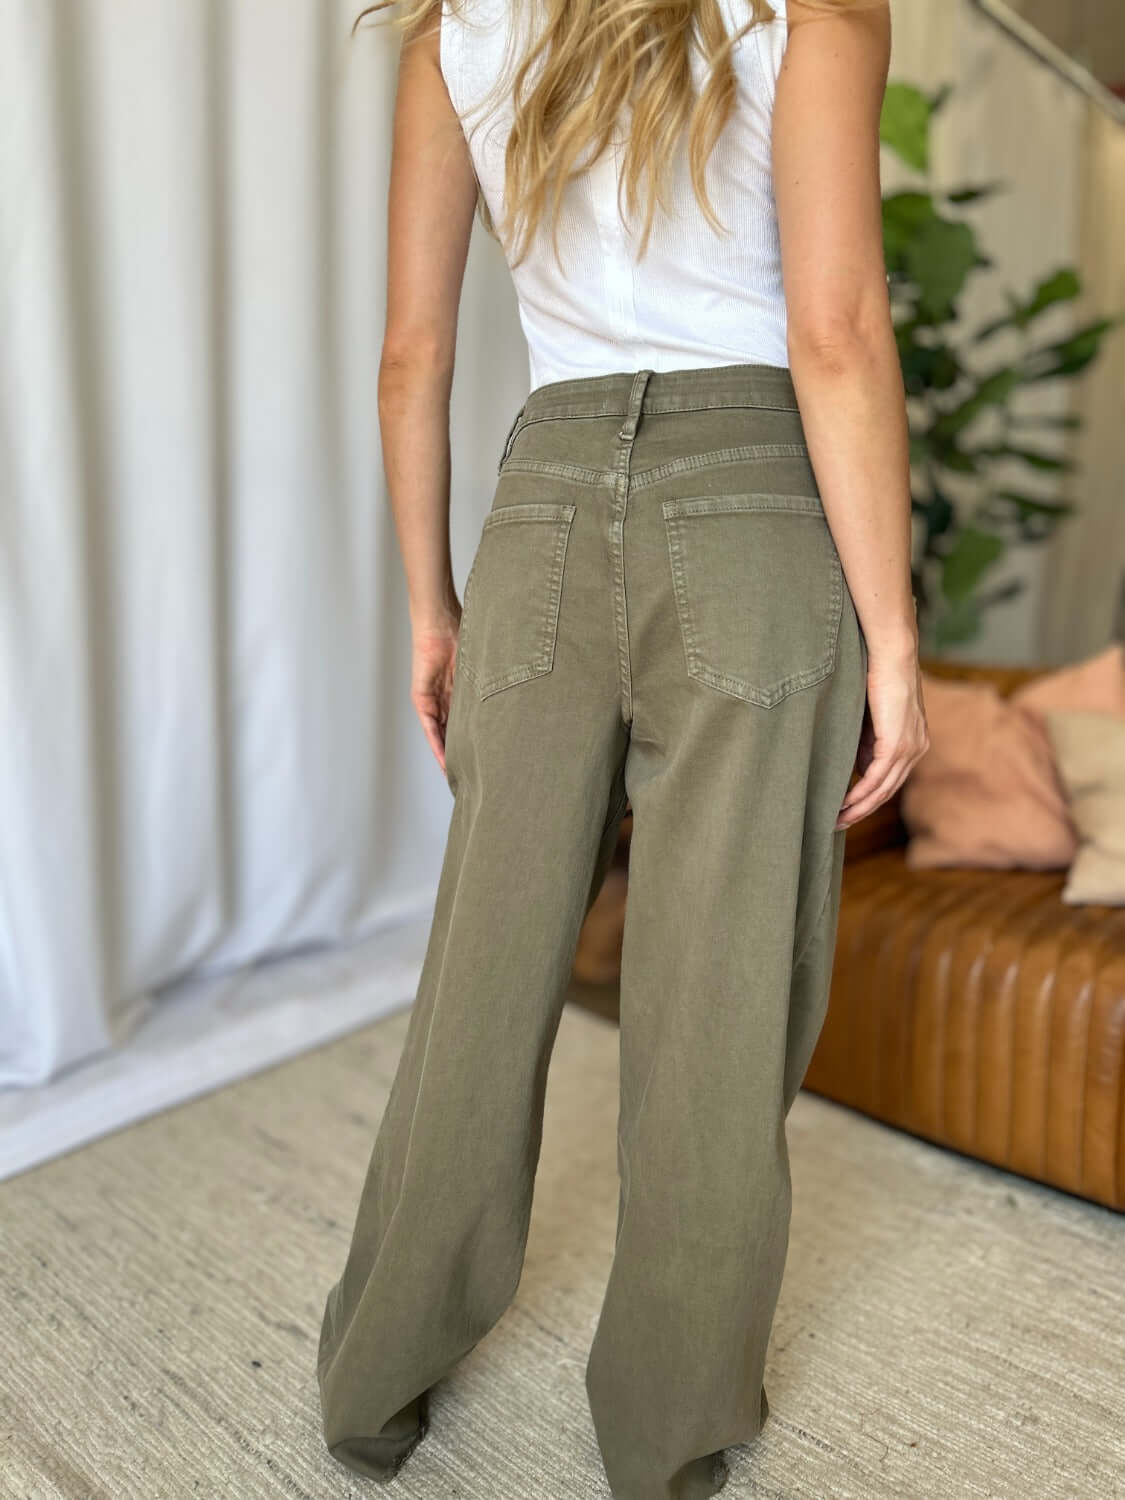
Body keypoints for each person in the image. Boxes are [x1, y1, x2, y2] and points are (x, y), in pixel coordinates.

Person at [317, 0, 929, 1495]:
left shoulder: (452, 32)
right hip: (754, 504)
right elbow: (835, 333)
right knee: (716, 994)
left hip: (541, 505)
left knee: (480, 966)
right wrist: (895, 645)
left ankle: (373, 1380)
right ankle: (663, 1430)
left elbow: (411, 354)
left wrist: (429, 607)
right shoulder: (816, 16)